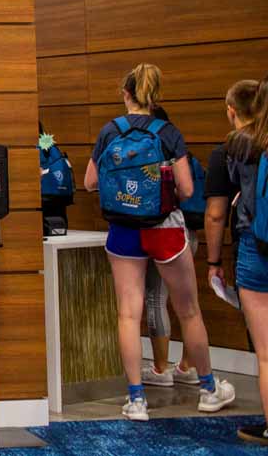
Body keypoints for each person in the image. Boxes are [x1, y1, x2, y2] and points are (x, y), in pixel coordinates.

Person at [83, 63, 234, 421]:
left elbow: (89, 181)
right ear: (156, 96)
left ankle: (136, 400)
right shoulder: (168, 133)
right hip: (164, 229)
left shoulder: (109, 131)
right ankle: (209, 388)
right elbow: (187, 189)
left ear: (126, 94)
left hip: (122, 231)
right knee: (188, 310)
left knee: (128, 313)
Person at [206, 79, 268, 443]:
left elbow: (215, 215)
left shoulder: (231, 150)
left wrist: (214, 262)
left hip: (255, 251)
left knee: (265, 353)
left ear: (233, 111)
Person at [141, 106, 197, 388]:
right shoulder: (182, 149)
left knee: (155, 298)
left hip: (165, 229)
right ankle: (188, 366)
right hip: (190, 230)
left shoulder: (150, 150)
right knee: (189, 305)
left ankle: (161, 369)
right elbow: (190, 191)